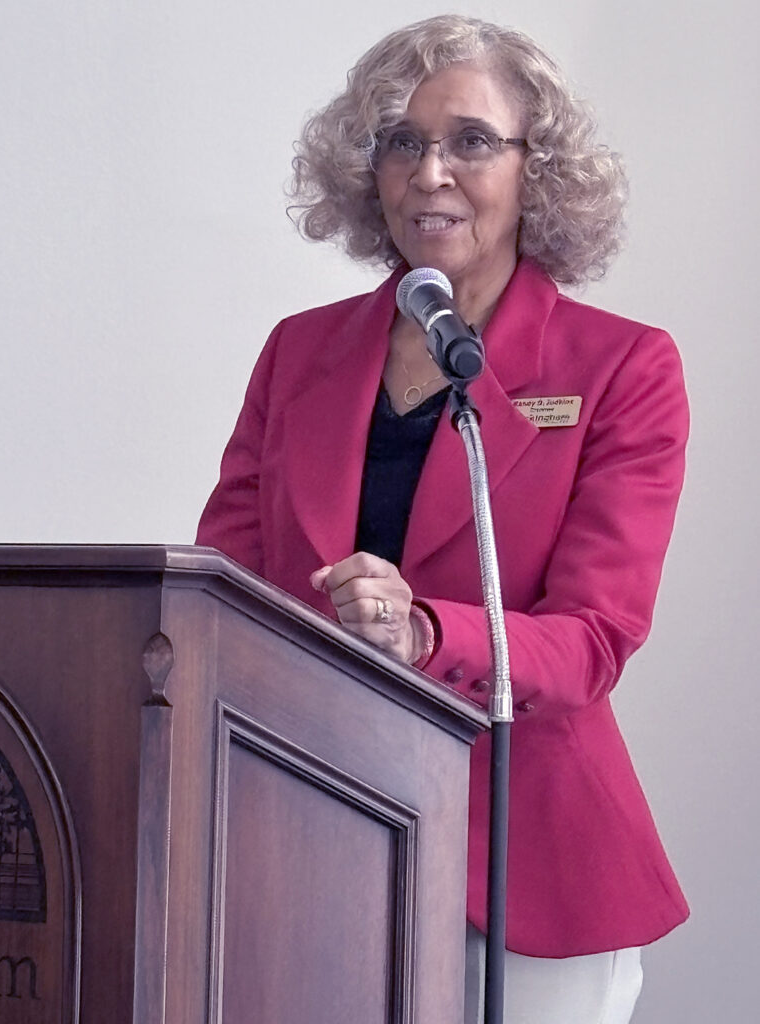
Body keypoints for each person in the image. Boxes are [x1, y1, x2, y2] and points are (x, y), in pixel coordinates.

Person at [196, 14, 689, 1024]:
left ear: (535, 168)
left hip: (525, 867)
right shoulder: (298, 353)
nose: (430, 173)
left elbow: (593, 640)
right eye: (401, 142)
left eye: (470, 139)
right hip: (310, 835)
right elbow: (225, 593)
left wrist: (424, 633)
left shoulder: (623, 369)